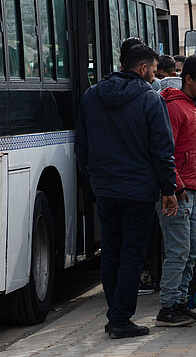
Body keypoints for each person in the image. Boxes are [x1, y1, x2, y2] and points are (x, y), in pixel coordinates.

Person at [75, 45, 176, 339]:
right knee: (132, 254)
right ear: (143, 68)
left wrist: (94, 174)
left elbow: (81, 144)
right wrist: (168, 188)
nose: (154, 77)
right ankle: (120, 319)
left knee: (111, 251)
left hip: (105, 188)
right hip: (139, 190)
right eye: (154, 71)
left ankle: (114, 314)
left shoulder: (92, 95)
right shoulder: (149, 99)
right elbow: (162, 149)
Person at [156, 55, 196, 327]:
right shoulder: (174, 108)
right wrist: (176, 185)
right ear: (188, 79)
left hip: (192, 191)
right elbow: (165, 152)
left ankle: (180, 302)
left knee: (191, 250)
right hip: (177, 193)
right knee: (179, 250)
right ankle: (168, 306)